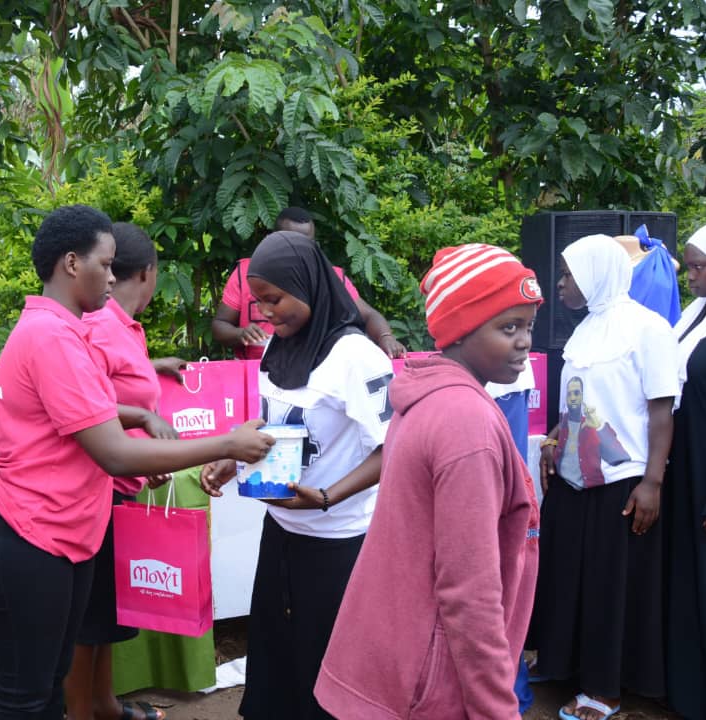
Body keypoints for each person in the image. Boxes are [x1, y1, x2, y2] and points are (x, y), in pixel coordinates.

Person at [0, 204, 274, 720]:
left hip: (57, 531)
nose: (112, 277)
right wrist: (226, 444)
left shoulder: (67, 330)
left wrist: (140, 415)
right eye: (105, 265)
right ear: (71, 263)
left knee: (48, 686)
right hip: (27, 532)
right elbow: (113, 451)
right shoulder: (51, 336)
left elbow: (89, 409)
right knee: (25, 698)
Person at [315, 243, 542, 719]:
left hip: (403, 655)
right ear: (460, 329)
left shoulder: (430, 397)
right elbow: (470, 589)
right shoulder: (466, 422)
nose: (524, 341)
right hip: (430, 678)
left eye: (528, 326)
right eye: (508, 327)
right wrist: (496, 709)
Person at [199, 230, 392, 720]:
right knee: (279, 659)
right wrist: (233, 455)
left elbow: (393, 448)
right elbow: (276, 421)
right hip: (282, 530)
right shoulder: (277, 347)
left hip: (338, 540)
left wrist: (327, 496)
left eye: (275, 299)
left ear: (308, 285)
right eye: (259, 301)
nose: (265, 313)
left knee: (327, 668)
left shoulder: (357, 357)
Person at [531, 234, 679, 720]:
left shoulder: (648, 329)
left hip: (622, 479)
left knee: (606, 586)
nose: (560, 284)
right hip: (573, 474)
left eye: (568, 274)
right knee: (565, 574)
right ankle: (562, 664)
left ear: (597, 273)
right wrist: (553, 442)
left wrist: (652, 483)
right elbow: (583, 402)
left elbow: (661, 412)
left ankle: (605, 689)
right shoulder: (586, 329)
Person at [63, 222, 183, 720]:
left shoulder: (122, 326)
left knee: (106, 612)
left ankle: (104, 705)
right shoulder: (99, 326)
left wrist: (154, 367)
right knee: (88, 620)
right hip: (98, 488)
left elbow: (114, 392)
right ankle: (80, 712)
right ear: (148, 273)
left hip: (120, 483)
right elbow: (87, 405)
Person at [664, 220, 706, 720]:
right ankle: (690, 695)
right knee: (689, 585)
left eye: (700, 266)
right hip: (686, 467)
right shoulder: (696, 313)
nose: (691, 275)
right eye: (689, 266)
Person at [211, 207, 406, 359]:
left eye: (307, 243)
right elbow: (220, 325)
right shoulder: (247, 273)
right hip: (254, 371)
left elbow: (369, 315)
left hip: (313, 370)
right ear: (273, 239)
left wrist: (386, 337)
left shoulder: (331, 276)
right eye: (292, 242)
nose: (300, 249)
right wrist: (240, 334)